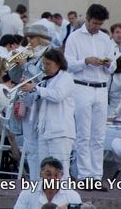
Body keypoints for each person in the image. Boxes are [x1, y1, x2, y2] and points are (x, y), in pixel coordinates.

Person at [64, 3, 114, 186]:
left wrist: (108, 64)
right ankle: (85, 176)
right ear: (86, 18)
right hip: (82, 86)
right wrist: (86, 61)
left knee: (99, 135)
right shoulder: (74, 38)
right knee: (83, 134)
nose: (97, 27)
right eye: (94, 23)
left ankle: (96, 176)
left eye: (100, 24)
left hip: (101, 87)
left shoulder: (105, 39)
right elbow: (68, 64)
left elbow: (114, 63)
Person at [20, 49, 76, 178]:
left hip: (61, 132)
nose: (45, 67)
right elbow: (33, 103)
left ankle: (65, 197)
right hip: (44, 132)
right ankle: (45, 197)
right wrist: (25, 91)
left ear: (58, 64)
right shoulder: (45, 81)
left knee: (61, 170)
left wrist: (35, 88)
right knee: (44, 171)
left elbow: (58, 95)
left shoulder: (66, 78)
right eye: (44, 64)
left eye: (49, 64)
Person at [8, 23, 52, 180]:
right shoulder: (29, 53)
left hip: (41, 104)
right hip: (26, 103)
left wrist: (25, 64)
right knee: (30, 145)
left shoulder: (48, 53)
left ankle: (41, 179)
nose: (29, 41)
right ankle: (34, 179)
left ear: (41, 39)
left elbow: (42, 76)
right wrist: (15, 65)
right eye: (28, 37)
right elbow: (14, 78)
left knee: (41, 145)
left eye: (32, 37)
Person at [13, 156, 83, 208]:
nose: (52, 178)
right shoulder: (27, 193)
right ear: (41, 174)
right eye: (48, 174)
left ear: (61, 176)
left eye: (56, 175)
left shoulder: (72, 195)